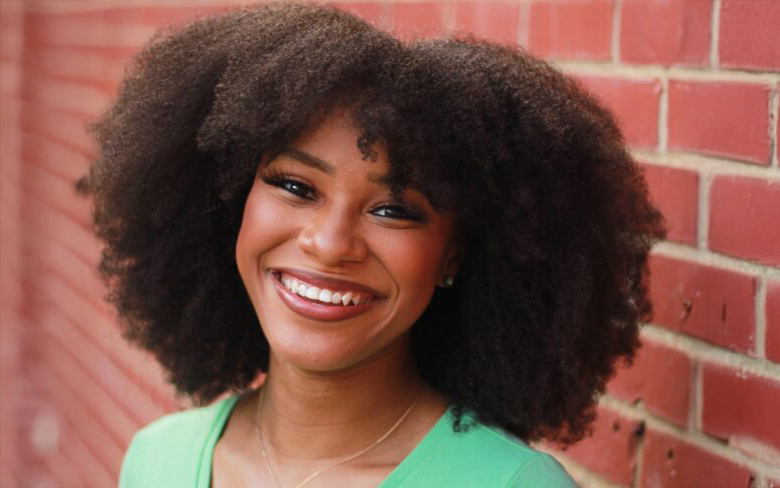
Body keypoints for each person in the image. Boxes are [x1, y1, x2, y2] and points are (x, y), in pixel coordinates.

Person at [78, 2, 666, 487]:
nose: (331, 244)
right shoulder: (157, 461)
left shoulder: (510, 484)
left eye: (393, 210)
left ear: (454, 255)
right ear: (233, 202)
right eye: (295, 186)